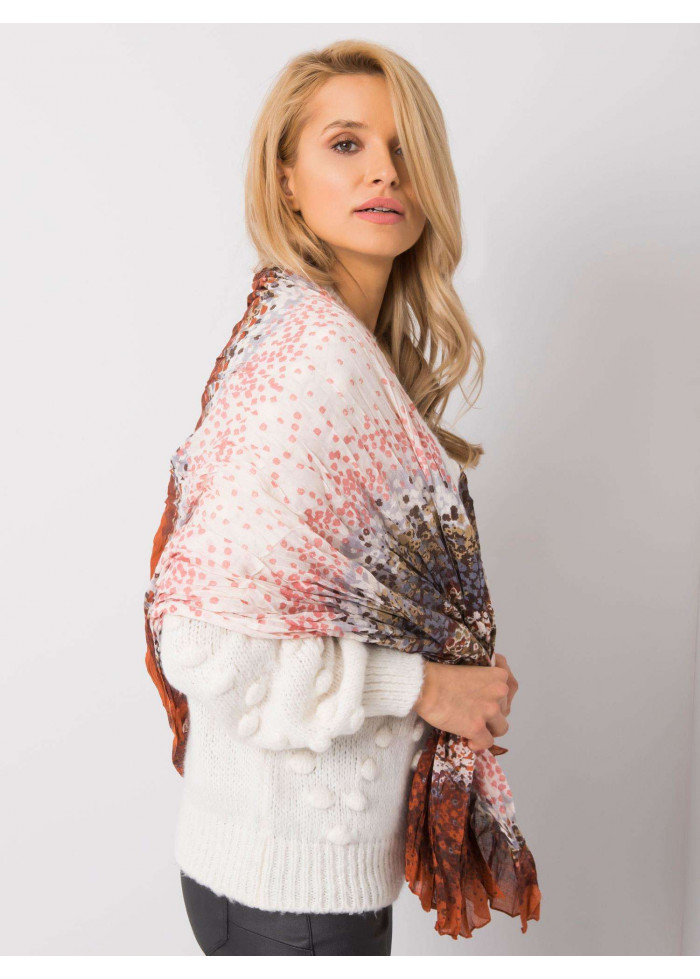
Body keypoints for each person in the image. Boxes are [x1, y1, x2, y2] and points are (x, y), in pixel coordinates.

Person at [148, 39, 518, 956]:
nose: (384, 171)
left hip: (273, 867)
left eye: (403, 147)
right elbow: (204, 638)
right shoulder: (314, 359)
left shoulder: (320, 338)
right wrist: (430, 686)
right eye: (346, 144)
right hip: (294, 891)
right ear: (286, 179)